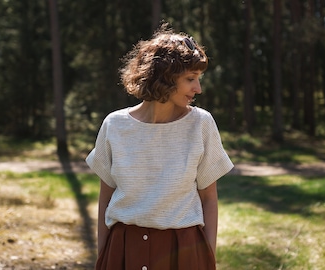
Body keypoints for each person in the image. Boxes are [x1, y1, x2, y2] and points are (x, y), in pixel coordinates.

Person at [86, 23, 234, 270]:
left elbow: (209, 198)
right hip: (123, 251)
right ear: (164, 76)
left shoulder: (201, 124)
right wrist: (104, 256)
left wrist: (208, 258)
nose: (198, 88)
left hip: (184, 253)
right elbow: (106, 196)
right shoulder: (114, 125)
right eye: (190, 79)